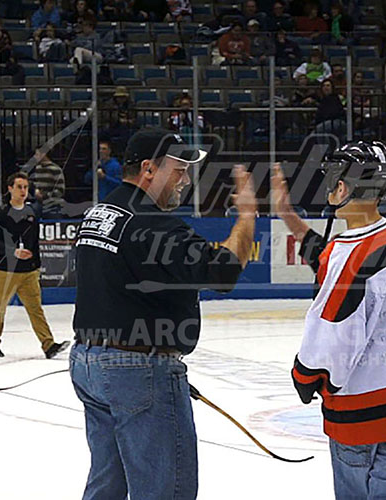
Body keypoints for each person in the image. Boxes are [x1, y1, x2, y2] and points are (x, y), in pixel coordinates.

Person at [70, 127, 256, 499]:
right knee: (164, 490)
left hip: (89, 362)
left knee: (107, 483)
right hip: (136, 368)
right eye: (179, 170)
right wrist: (247, 216)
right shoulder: (150, 221)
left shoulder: (99, 214)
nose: (185, 181)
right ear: (148, 169)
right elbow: (222, 271)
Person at [270, 142, 386, 500]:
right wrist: (287, 215)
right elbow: (342, 264)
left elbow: (333, 335)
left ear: (343, 188)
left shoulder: (347, 256)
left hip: (361, 411)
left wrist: (305, 377)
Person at [0, 172, 70, 359]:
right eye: (19, 187)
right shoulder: (1, 213)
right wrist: (13, 251)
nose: (23, 191)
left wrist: (36, 264)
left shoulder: (32, 211)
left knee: (36, 309)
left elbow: (34, 242)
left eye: (25, 187)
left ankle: (48, 345)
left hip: (29, 271)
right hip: (7, 270)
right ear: (10, 189)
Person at [29, 149, 66, 217]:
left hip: (54, 203)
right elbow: (35, 184)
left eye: (37, 154)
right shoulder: (38, 168)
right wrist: (35, 191)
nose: (35, 157)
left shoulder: (56, 169)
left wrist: (44, 196)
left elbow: (60, 190)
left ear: (43, 155)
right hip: (39, 203)